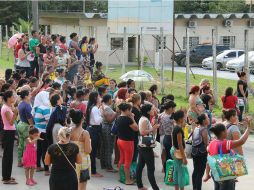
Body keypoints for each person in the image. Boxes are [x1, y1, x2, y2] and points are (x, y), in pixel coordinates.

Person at [204, 120, 252, 190]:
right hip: (224, 176)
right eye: (226, 130)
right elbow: (241, 141)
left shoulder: (211, 143)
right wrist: (248, 128)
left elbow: (209, 160)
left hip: (215, 174)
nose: (227, 131)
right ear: (223, 132)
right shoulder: (225, 143)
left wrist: (207, 174)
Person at [136, 104, 160, 190]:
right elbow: (142, 132)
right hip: (145, 147)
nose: (154, 111)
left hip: (143, 146)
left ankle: (140, 186)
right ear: (148, 111)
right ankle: (155, 188)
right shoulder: (145, 120)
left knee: (140, 165)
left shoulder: (144, 118)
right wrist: (153, 128)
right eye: (152, 110)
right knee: (151, 168)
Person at [116, 102, 138, 185]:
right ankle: (127, 180)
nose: (131, 112)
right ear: (127, 110)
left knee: (121, 159)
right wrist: (132, 118)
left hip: (120, 140)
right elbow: (136, 128)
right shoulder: (128, 119)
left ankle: (121, 177)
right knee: (128, 161)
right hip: (127, 142)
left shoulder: (118, 118)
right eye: (130, 110)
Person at [70, 109, 92, 190]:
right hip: (83, 161)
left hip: (72, 160)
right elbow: (88, 150)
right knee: (82, 186)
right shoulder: (85, 133)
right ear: (82, 119)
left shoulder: (69, 130)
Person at [1, 90, 18, 184]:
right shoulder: (6, 108)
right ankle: (6, 178)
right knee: (7, 155)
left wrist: (14, 109)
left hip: (10, 132)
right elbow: (10, 122)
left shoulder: (8, 106)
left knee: (9, 155)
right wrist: (15, 113)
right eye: (12, 97)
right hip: (8, 132)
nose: (14, 98)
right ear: (8, 98)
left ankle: (7, 176)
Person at [86, 92, 103, 177]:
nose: (100, 98)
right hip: (94, 130)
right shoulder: (95, 108)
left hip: (92, 129)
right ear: (96, 98)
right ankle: (93, 171)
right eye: (99, 97)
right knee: (93, 152)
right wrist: (102, 115)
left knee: (92, 152)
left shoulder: (93, 107)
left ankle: (91, 170)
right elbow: (97, 121)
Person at [171, 110, 188, 190]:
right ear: (180, 119)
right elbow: (180, 144)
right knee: (181, 173)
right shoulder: (179, 130)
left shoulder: (176, 127)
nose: (185, 118)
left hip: (174, 150)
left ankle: (176, 188)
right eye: (184, 117)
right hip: (178, 152)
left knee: (176, 171)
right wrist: (184, 158)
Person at [191, 114, 209, 190]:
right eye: (207, 118)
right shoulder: (204, 130)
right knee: (200, 172)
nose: (208, 119)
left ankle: (194, 187)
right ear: (204, 121)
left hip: (194, 152)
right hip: (201, 153)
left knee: (195, 171)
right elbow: (206, 144)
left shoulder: (196, 128)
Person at [16, 90, 34, 167]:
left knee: (21, 144)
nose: (31, 95)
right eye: (30, 94)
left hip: (20, 124)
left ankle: (19, 161)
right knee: (27, 145)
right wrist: (32, 125)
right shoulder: (27, 105)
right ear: (26, 96)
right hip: (26, 126)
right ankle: (26, 161)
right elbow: (29, 118)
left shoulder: (20, 103)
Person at [100, 94, 117, 172]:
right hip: (108, 128)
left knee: (104, 146)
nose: (112, 100)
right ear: (108, 100)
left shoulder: (103, 106)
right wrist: (116, 113)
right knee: (108, 147)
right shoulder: (106, 108)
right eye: (111, 99)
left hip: (105, 127)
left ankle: (104, 164)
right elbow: (109, 120)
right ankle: (108, 166)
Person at [158, 101, 176, 171]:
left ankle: (164, 167)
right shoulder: (169, 118)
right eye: (174, 108)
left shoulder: (161, 114)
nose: (175, 109)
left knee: (163, 152)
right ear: (170, 108)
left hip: (162, 135)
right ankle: (167, 168)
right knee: (169, 154)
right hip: (168, 136)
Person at [129, 93, 142, 162]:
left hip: (137, 131)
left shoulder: (137, 108)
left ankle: (134, 163)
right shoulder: (134, 109)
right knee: (135, 149)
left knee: (136, 149)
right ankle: (133, 164)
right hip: (135, 131)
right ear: (138, 100)